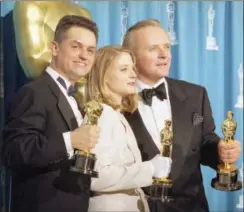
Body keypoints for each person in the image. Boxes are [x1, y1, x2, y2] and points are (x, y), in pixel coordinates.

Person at [122, 19, 241, 212]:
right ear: (131, 57)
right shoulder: (114, 100)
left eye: (166, 47)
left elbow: (205, 141)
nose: (164, 55)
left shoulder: (195, 94)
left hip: (190, 206)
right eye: (153, 49)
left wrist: (220, 151)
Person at [2, 15, 99, 212]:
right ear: (54, 48)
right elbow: (15, 151)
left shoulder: (77, 99)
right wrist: (70, 141)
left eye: (90, 50)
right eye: (76, 47)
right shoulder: (34, 92)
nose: (84, 55)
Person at [85, 45, 172, 212]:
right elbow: (95, 176)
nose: (133, 74)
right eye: (123, 69)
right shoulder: (103, 114)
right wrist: (150, 169)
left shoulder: (116, 114)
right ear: (103, 76)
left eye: (132, 68)